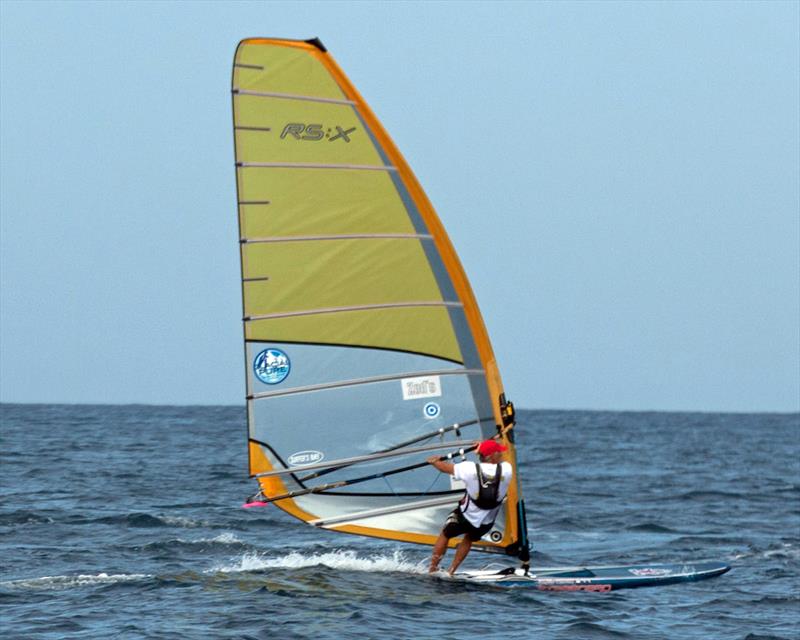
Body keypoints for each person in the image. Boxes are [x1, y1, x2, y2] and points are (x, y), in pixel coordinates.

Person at [426, 438, 513, 575]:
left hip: (465, 516)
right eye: (498, 452)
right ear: (491, 456)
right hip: (486, 522)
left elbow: (444, 468)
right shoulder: (507, 470)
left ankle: (432, 569)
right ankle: (452, 571)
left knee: (445, 534)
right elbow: (506, 457)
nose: (501, 454)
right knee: (469, 538)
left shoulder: (469, 468)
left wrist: (435, 461)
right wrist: (481, 448)